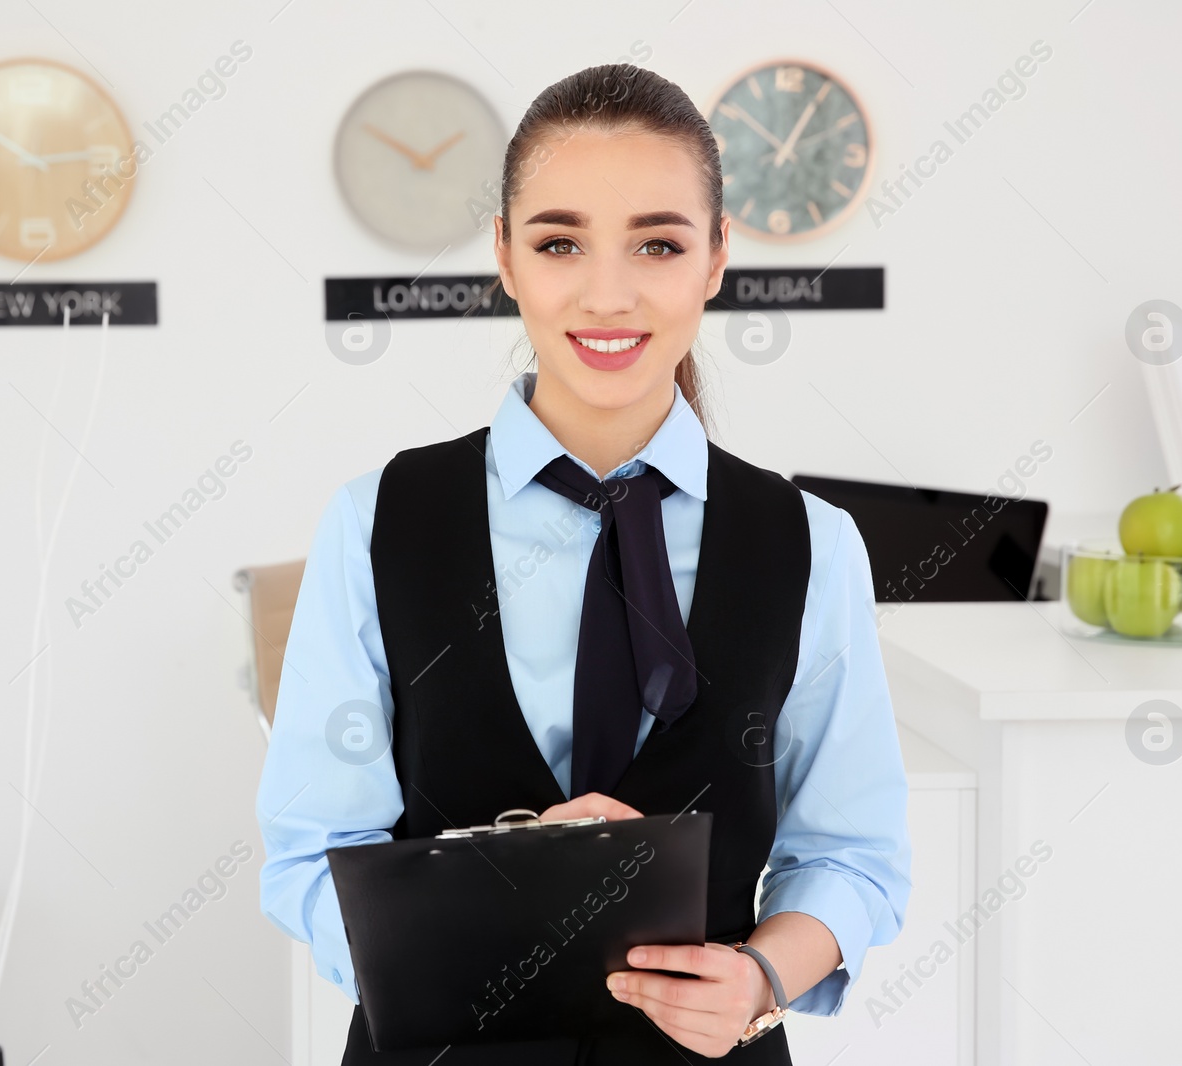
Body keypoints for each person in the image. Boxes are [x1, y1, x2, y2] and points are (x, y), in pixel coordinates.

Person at [257, 62, 911, 1064]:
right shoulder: (375, 520)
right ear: (506, 259)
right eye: (560, 242)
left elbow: (851, 857)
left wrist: (762, 976)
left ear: (717, 257)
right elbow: (310, 856)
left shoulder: (810, 542)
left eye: (657, 242)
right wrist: (482, 899)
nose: (608, 294)